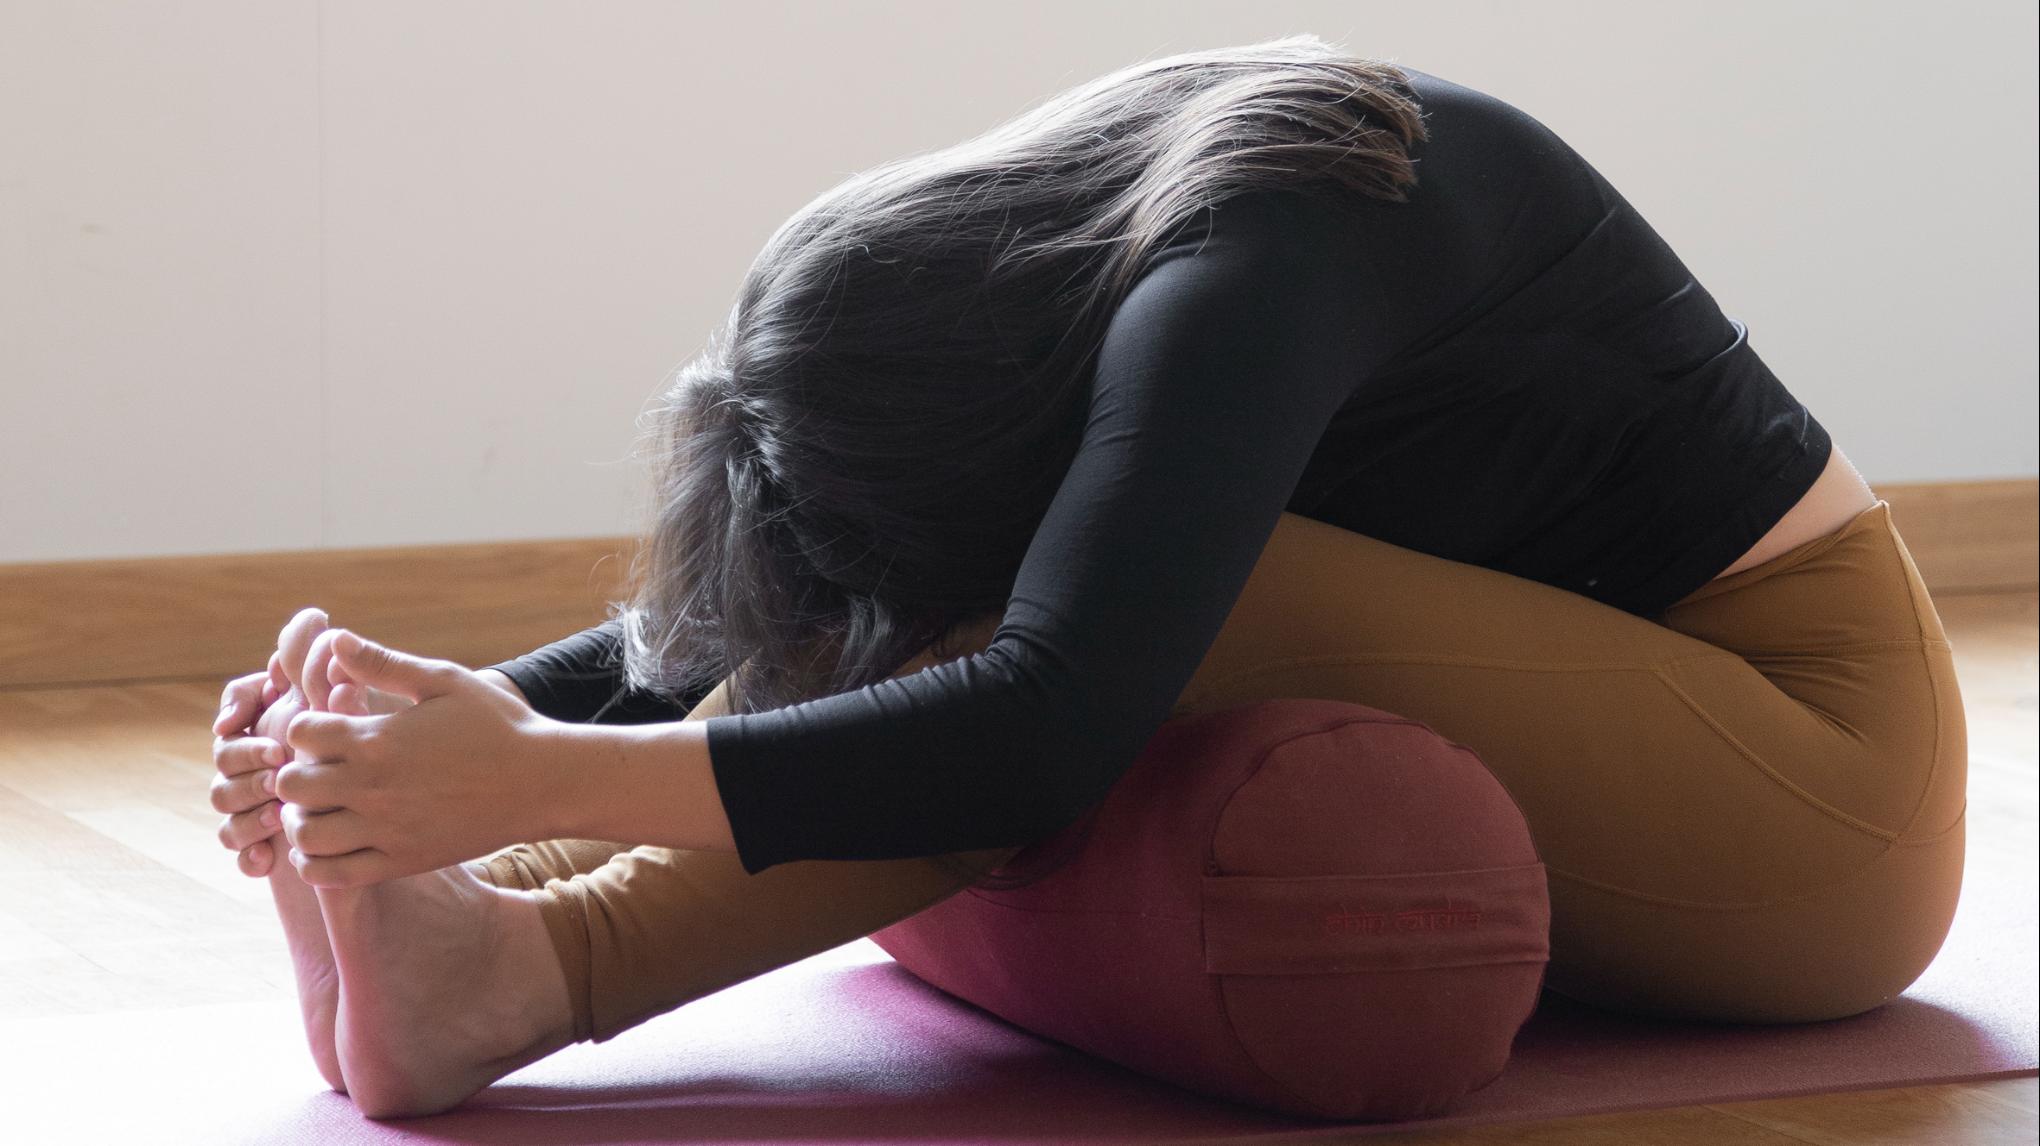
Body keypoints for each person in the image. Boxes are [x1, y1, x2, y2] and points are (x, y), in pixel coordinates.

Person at [207, 36, 1965, 1119]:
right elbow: (802, 596)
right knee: (985, 608)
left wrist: (529, 775)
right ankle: (461, 903)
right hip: (1618, 708)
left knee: (1109, 619)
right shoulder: (1052, 248)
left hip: (1824, 791)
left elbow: (1048, 721)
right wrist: (414, 753)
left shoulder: (1262, 263)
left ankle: (522, 968)